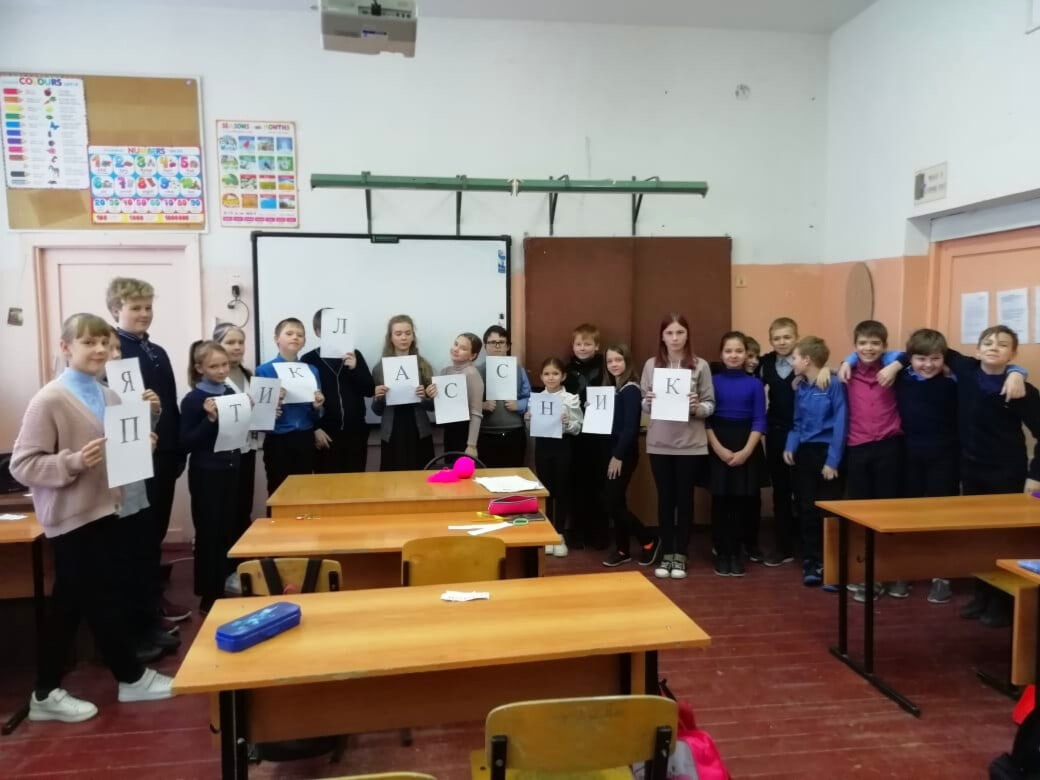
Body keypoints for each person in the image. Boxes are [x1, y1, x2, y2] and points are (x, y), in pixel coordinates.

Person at [11, 313, 175, 723]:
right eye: (88, 343)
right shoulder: (49, 399)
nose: (100, 350)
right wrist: (72, 462)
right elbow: (22, 465)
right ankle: (129, 677)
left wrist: (141, 444)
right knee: (100, 600)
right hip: (72, 518)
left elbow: (116, 456)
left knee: (72, 603)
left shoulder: (108, 395)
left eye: (104, 342)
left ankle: (47, 691)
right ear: (66, 348)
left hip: (105, 512)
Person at [106, 277, 190, 623]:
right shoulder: (114, 352)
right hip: (136, 456)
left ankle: (151, 599)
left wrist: (178, 447)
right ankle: (141, 607)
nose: (144, 313)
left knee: (155, 531)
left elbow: (171, 403)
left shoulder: (158, 351)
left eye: (148, 307)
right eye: (135, 308)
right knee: (137, 535)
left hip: (166, 451)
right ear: (116, 310)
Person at [101, 329, 179, 659]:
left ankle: (146, 625)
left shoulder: (123, 390)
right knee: (120, 569)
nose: (113, 355)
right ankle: (129, 638)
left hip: (136, 489)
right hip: (110, 497)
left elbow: (139, 436)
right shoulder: (88, 394)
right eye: (103, 347)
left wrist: (153, 412)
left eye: (117, 350)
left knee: (141, 560)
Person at [640, 313, 715, 580]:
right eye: (669, 333)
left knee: (684, 500)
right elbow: (644, 403)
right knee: (665, 499)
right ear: (662, 336)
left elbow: (710, 405)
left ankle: (681, 554)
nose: (675, 338)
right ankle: (666, 552)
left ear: (687, 335)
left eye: (680, 332)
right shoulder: (651, 365)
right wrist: (648, 401)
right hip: (660, 443)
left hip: (690, 444)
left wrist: (696, 407)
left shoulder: (700, 366)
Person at [180, 340, 243, 614]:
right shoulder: (193, 400)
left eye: (224, 365)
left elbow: (237, 430)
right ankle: (209, 593)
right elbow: (187, 442)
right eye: (214, 366)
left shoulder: (229, 391)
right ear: (200, 368)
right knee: (208, 532)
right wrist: (210, 420)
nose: (221, 371)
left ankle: (225, 580)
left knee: (228, 527)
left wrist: (246, 411)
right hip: (207, 473)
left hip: (231, 468)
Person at [783, 336, 847, 587]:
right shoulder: (800, 386)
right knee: (806, 508)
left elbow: (841, 423)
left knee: (828, 511)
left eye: (795, 357)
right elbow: (798, 421)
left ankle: (832, 565)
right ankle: (812, 562)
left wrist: (833, 461)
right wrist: (791, 445)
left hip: (827, 452)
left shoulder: (833, 384)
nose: (792, 362)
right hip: (805, 453)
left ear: (807, 360)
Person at [706, 332, 767, 577]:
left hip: (746, 443)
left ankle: (736, 554)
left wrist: (746, 451)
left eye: (739, 351)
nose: (733, 355)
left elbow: (759, 420)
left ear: (746, 355)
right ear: (721, 354)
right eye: (728, 351)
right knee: (720, 501)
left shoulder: (755, 384)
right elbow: (706, 420)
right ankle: (722, 553)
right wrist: (719, 449)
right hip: (718, 442)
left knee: (741, 502)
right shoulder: (712, 381)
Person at [255, 318, 325, 495]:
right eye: (289, 333)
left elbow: (316, 414)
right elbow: (260, 419)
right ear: (276, 339)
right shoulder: (264, 370)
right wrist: (273, 405)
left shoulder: (311, 370)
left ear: (304, 341)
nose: (295, 337)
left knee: (304, 492)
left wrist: (317, 407)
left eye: (300, 335)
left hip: (305, 439)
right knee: (278, 492)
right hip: (278, 441)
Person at [301, 308, 375, 473]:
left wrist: (355, 368)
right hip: (326, 435)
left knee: (355, 483)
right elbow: (305, 401)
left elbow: (370, 390)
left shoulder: (354, 355)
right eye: (328, 329)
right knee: (326, 484)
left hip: (356, 433)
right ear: (318, 331)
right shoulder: (309, 359)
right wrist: (315, 428)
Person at [600, 344, 655, 568]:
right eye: (610, 361)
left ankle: (649, 538)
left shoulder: (631, 389)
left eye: (618, 360)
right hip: (612, 451)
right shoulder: (614, 388)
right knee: (617, 501)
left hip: (622, 454)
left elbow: (630, 428)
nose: (614, 364)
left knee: (611, 501)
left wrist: (618, 456)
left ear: (627, 362)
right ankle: (623, 549)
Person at [526, 357, 583, 557]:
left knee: (562, 489)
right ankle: (547, 532)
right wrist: (528, 419)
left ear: (563, 376)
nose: (551, 378)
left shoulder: (570, 398)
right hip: (543, 447)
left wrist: (567, 423)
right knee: (546, 490)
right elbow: (531, 428)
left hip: (563, 446)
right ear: (541, 377)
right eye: (547, 374)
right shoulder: (535, 399)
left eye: (555, 374)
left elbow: (578, 427)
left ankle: (559, 534)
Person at [755, 317, 800, 567]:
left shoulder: (806, 360)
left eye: (787, 337)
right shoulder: (766, 363)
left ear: (796, 338)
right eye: (777, 338)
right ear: (771, 341)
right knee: (781, 491)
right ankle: (784, 547)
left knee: (803, 491)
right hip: (776, 433)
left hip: (804, 434)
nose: (782, 342)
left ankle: (808, 546)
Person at [213, 323, 259, 550]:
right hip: (223, 454)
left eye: (241, 342)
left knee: (243, 505)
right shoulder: (213, 379)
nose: (237, 347)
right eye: (230, 342)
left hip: (248, 449)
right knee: (225, 510)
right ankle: (226, 560)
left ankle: (243, 556)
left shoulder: (249, 375)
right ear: (217, 345)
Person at [371, 314, 436, 471]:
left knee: (421, 475)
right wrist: (379, 398)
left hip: (418, 429)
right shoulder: (380, 368)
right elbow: (376, 411)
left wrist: (424, 397)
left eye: (408, 333)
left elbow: (433, 407)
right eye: (398, 334)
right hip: (392, 431)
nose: (403, 338)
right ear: (390, 337)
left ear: (413, 336)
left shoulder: (423, 365)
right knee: (393, 478)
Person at [565, 323, 611, 549]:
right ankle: (577, 533)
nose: (582, 348)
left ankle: (599, 534)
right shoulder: (567, 370)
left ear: (597, 346)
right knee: (577, 485)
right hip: (576, 435)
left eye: (587, 344)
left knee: (598, 485)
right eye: (578, 344)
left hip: (599, 435)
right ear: (573, 346)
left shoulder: (605, 368)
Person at [477, 325, 530, 467]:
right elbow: (466, 403)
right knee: (488, 476)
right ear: (485, 346)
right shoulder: (476, 371)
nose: (497, 346)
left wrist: (519, 405)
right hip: (486, 433)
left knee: (514, 475)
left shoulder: (518, 369)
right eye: (492, 342)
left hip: (515, 432)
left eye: (501, 342)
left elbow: (529, 398)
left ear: (508, 346)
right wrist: (482, 405)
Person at [435, 332, 484, 459]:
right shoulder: (445, 371)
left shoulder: (472, 374)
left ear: (472, 356)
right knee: (449, 467)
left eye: (463, 348)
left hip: (464, 434)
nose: (456, 349)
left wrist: (471, 445)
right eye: (456, 344)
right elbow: (441, 405)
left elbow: (476, 413)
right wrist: (431, 394)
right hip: (449, 431)